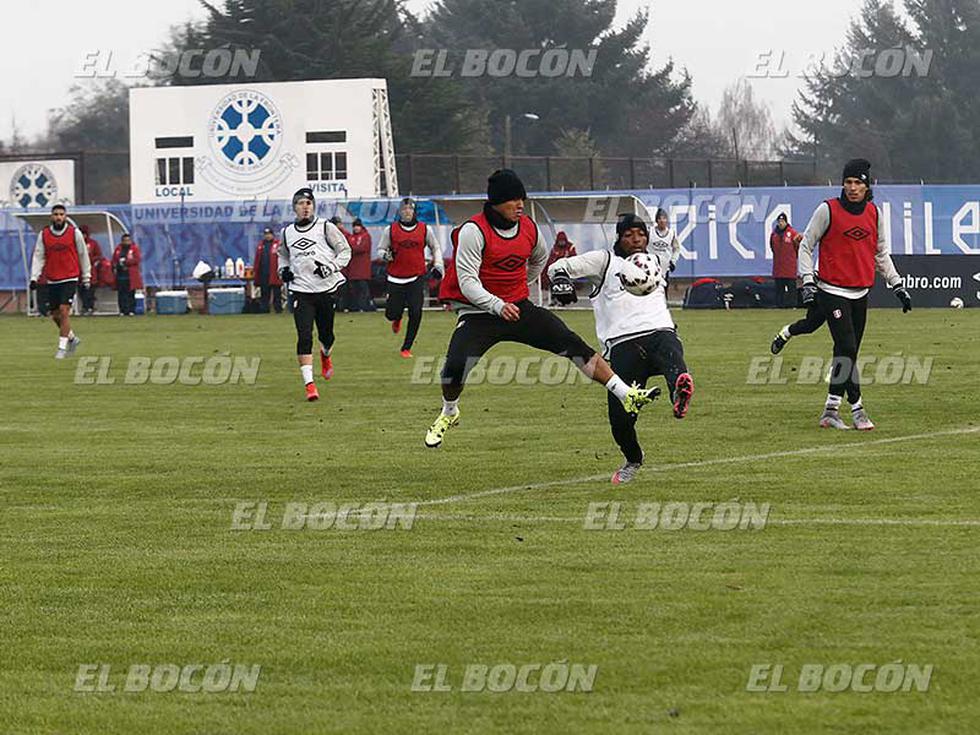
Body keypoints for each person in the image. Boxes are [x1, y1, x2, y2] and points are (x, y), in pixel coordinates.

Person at [424, 169, 658, 449]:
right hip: (478, 312)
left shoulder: (529, 228)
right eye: (513, 200)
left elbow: (539, 259)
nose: (520, 205)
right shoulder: (474, 232)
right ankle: (449, 412)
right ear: (496, 203)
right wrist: (498, 304)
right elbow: (467, 282)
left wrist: (520, 285)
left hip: (518, 308)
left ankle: (625, 394)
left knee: (570, 343)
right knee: (454, 367)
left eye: (521, 199)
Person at [547, 213, 694, 484]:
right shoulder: (605, 261)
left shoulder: (656, 261)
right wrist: (561, 281)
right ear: (619, 238)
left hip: (661, 330)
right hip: (622, 345)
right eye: (629, 235)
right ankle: (633, 458)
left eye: (640, 234)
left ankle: (679, 390)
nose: (636, 239)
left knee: (672, 355)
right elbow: (560, 266)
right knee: (620, 421)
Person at [796, 158, 912, 430]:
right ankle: (858, 409)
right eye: (848, 182)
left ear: (866, 185)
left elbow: (880, 254)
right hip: (831, 291)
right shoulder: (828, 210)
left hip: (860, 293)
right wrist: (809, 282)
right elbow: (806, 245)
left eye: (857, 182)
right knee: (847, 348)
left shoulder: (874, 213)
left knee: (847, 353)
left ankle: (830, 411)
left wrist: (897, 285)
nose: (852, 187)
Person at [278, 188, 351, 402]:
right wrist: (283, 271)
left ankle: (326, 354)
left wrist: (331, 267)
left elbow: (345, 251)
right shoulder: (287, 232)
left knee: (326, 335)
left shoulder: (325, 227)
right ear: (295, 207)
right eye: (301, 203)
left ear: (313, 206)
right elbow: (282, 255)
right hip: (301, 290)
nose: (305, 206)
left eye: (309, 202)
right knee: (304, 335)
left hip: (326, 289)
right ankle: (309, 385)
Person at [378, 197, 443, 357]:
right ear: (400, 212)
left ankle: (406, 347)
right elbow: (380, 250)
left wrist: (439, 265)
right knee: (391, 313)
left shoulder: (425, 229)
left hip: (416, 276)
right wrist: (387, 256)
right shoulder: (390, 230)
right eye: (404, 209)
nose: (407, 212)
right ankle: (397, 317)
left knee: (416, 312)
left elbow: (435, 247)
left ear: (414, 211)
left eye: (410, 209)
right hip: (395, 277)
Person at [29, 204, 90, 358]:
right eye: (56, 214)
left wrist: (86, 276)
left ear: (66, 216)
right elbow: (38, 256)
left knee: (64, 311)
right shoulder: (44, 235)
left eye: (61, 214)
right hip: (52, 279)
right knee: (56, 316)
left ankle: (62, 349)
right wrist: (34, 277)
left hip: (70, 277)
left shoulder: (74, 233)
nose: (58, 217)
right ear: (51, 216)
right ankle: (72, 338)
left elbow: (83, 255)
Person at [770, 213, 799, 308]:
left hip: (790, 267)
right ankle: (779, 305)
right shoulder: (774, 234)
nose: (781, 223)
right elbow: (772, 248)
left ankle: (792, 305)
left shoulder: (793, 233)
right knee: (779, 288)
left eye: (782, 221)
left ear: (786, 222)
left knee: (791, 288)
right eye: (779, 221)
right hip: (778, 266)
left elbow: (797, 247)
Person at [345, 218, 375, 312]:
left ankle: (365, 306)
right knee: (354, 289)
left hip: (362, 268)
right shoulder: (351, 237)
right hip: (353, 269)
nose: (356, 228)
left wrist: (351, 249)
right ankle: (355, 307)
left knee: (363, 288)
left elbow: (361, 248)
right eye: (354, 226)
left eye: (357, 226)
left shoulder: (365, 236)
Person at [111, 233, 143, 316]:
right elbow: (114, 259)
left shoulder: (134, 249)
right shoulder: (118, 249)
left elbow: (137, 259)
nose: (126, 242)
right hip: (120, 274)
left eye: (128, 240)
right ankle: (122, 310)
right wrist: (116, 265)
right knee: (121, 293)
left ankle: (131, 310)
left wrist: (126, 262)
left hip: (130, 275)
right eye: (125, 240)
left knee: (130, 293)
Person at [253, 227, 283, 313]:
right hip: (263, 273)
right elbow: (257, 259)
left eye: (269, 234)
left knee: (277, 293)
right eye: (266, 234)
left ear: (272, 235)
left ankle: (278, 309)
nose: (267, 236)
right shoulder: (261, 245)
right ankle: (264, 309)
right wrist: (256, 271)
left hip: (275, 273)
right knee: (264, 293)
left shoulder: (277, 244)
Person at [648, 208, 681, 282]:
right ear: (656, 220)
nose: (662, 221)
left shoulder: (672, 234)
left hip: (664, 267)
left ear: (667, 220)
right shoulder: (649, 231)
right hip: (650, 265)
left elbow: (677, 249)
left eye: (664, 218)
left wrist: (673, 261)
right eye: (659, 218)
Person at [541, 231, 576, 298]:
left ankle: (561, 296)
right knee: (545, 273)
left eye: (563, 240)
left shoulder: (570, 247)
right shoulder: (555, 248)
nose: (561, 242)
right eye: (560, 240)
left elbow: (573, 259)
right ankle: (554, 296)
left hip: (567, 270)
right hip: (555, 270)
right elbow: (550, 260)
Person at [80, 225, 103, 315]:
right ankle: (84, 307)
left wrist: (91, 260)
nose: (83, 236)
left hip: (90, 270)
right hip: (79, 270)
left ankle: (90, 307)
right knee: (81, 290)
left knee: (90, 290)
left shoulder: (93, 243)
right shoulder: (76, 243)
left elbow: (98, 255)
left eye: (84, 234)